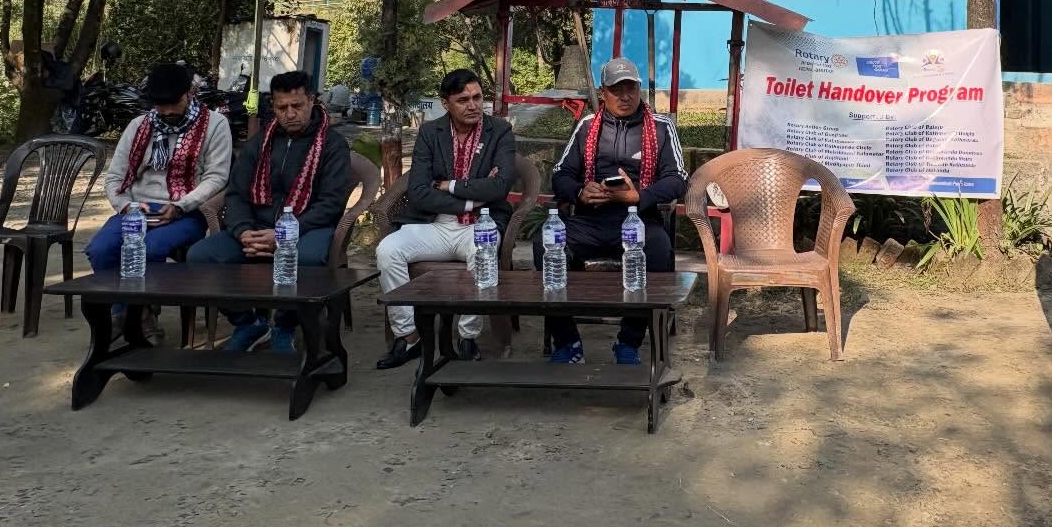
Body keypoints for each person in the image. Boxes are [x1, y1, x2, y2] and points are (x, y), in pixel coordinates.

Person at [186, 70, 353, 352]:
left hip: (307, 227)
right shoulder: (258, 144)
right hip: (255, 227)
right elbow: (236, 194)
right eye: (281, 107)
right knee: (200, 256)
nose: (290, 114)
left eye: (297, 106)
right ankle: (248, 324)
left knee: (308, 259)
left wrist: (281, 235)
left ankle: (285, 326)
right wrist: (243, 232)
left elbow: (331, 203)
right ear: (273, 107)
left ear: (312, 101)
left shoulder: (332, 145)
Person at [542, 57, 687, 365]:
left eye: (631, 88)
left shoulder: (661, 128)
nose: (625, 96)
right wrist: (581, 192)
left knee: (660, 250)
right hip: (589, 220)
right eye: (616, 89)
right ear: (603, 92)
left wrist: (641, 196)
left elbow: (678, 179)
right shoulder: (586, 126)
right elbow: (561, 173)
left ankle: (628, 342)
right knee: (548, 250)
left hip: (638, 218)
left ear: (639, 90)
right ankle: (568, 342)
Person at [376, 69, 516, 369]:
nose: (473, 105)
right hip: (433, 223)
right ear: (445, 103)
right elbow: (418, 192)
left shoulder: (500, 131)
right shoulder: (430, 132)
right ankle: (408, 335)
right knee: (388, 250)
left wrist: (448, 184)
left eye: (477, 97)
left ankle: (467, 338)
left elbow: (501, 185)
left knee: (483, 251)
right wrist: (469, 198)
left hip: (481, 223)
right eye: (463, 99)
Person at [89, 62, 232, 340]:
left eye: (173, 104)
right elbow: (115, 178)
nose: (166, 112)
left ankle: (141, 315)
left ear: (189, 93)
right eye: (160, 105)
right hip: (136, 210)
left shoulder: (216, 124)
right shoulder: (138, 126)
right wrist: (127, 207)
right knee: (101, 249)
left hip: (187, 210)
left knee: (149, 247)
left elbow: (217, 177)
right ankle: (126, 313)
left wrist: (181, 207)